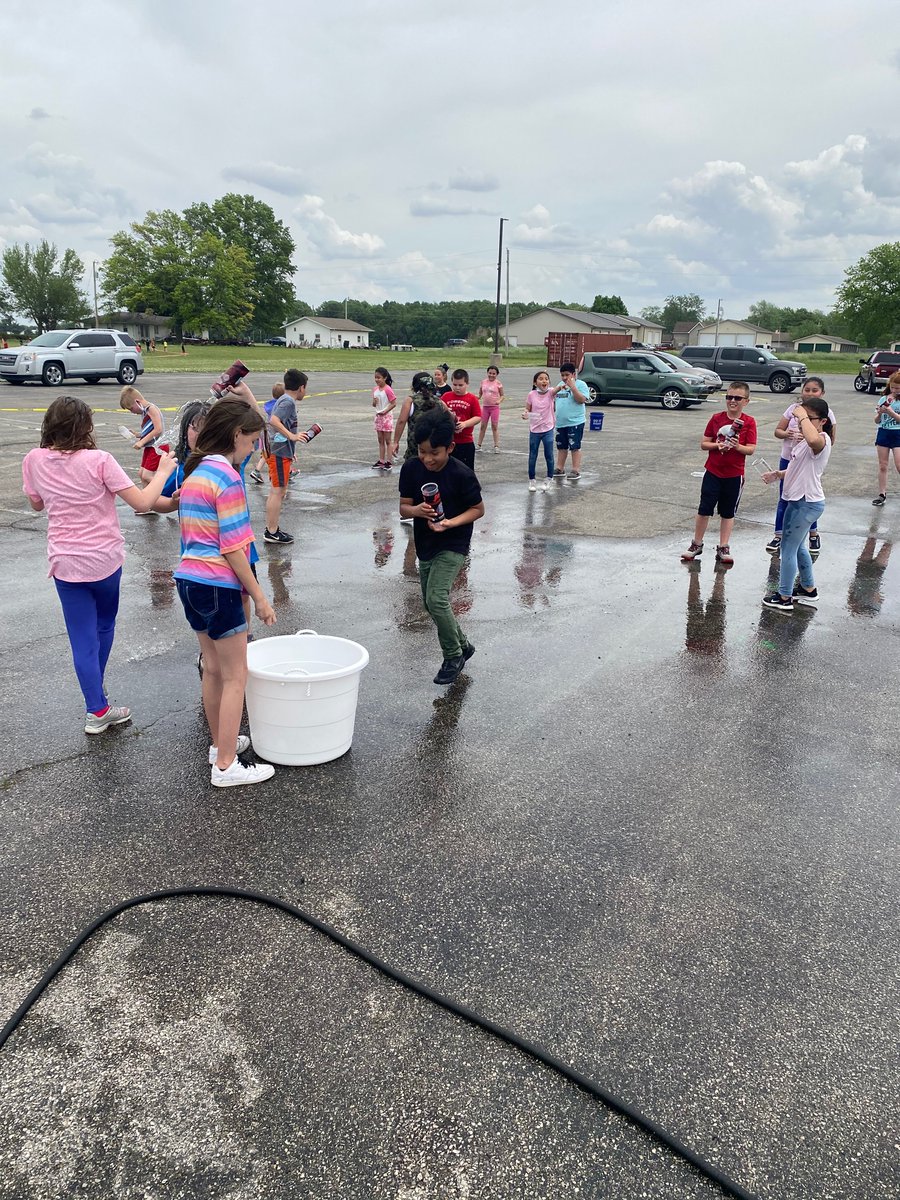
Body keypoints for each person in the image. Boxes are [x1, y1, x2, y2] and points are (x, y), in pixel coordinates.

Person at [21, 395, 176, 733]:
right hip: (104, 561)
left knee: (81, 637)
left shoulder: (33, 459)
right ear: (86, 428)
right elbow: (142, 503)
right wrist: (163, 472)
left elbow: (35, 504)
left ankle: (96, 704)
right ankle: (97, 700)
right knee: (104, 626)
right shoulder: (100, 460)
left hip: (65, 563)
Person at [174, 399, 277, 787]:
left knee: (213, 669)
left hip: (189, 581)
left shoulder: (196, 471)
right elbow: (233, 548)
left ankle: (221, 745)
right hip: (217, 585)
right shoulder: (227, 478)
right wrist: (261, 598)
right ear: (236, 435)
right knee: (236, 675)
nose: (252, 449)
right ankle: (227, 765)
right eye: (251, 441)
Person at [399, 407, 484, 685]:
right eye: (423, 451)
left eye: (434, 453)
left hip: (453, 541)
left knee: (437, 599)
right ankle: (464, 644)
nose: (427, 458)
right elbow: (403, 508)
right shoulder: (412, 469)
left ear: (450, 447)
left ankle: (452, 655)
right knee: (428, 602)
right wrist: (417, 512)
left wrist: (450, 523)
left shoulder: (462, 474)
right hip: (425, 542)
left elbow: (478, 509)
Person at [761, 396, 833, 613]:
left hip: (806, 503)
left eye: (809, 418)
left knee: (787, 549)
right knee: (798, 547)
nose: (802, 422)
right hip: (799, 501)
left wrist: (801, 415)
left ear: (822, 421)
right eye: (801, 418)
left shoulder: (821, 439)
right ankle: (808, 589)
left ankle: (784, 597)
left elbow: (814, 442)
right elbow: (797, 468)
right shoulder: (803, 442)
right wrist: (778, 474)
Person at [681, 382, 757, 566]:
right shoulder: (716, 418)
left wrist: (737, 446)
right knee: (704, 508)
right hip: (713, 471)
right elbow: (704, 443)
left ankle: (723, 546)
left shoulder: (749, 422)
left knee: (728, 512)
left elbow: (751, 449)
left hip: (734, 474)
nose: (732, 401)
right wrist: (718, 445)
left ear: (746, 401)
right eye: (729, 397)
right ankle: (696, 544)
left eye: (737, 398)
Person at [766, 377, 837, 559]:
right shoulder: (793, 410)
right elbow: (778, 431)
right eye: (807, 389)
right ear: (801, 391)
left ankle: (813, 534)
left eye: (815, 390)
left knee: (806, 502)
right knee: (785, 498)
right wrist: (787, 433)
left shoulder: (824, 413)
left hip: (808, 463)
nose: (810, 393)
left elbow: (824, 440)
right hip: (789, 459)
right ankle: (779, 535)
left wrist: (808, 437)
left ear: (822, 393)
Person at [265, 368, 309, 545]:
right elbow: (274, 421)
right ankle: (271, 531)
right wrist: (291, 437)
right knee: (278, 491)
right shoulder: (288, 402)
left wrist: (292, 448)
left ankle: (273, 528)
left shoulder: (285, 399)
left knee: (277, 491)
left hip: (282, 450)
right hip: (278, 452)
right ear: (301, 388)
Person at [392, 372, 447, 463]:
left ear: (414, 386)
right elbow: (451, 418)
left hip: (415, 449)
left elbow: (401, 421)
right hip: (434, 449)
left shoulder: (410, 401)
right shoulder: (439, 401)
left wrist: (395, 442)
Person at [120, 385, 170, 485]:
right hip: (150, 446)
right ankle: (147, 498)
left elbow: (158, 429)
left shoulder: (151, 409)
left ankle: (166, 489)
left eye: (131, 409)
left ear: (137, 402)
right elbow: (150, 429)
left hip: (158, 446)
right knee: (141, 473)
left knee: (147, 475)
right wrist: (138, 435)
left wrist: (142, 442)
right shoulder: (145, 411)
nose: (132, 412)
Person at [522, 370, 559, 491]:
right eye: (541, 379)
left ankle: (549, 479)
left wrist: (564, 385)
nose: (544, 381)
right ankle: (532, 480)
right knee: (533, 455)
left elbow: (556, 390)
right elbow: (527, 409)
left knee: (549, 455)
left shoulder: (551, 393)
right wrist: (525, 413)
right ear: (535, 382)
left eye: (546, 379)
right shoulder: (531, 394)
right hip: (535, 430)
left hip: (548, 428)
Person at [553, 361, 589, 480]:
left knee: (574, 446)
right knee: (561, 446)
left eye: (567, 375)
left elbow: (581, 400)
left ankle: (575, 470)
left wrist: (573, 388)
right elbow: (554, 400)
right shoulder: (560, 385)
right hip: (561, 423)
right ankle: (560, 468)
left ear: (573, 374)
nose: (564, 378)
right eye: (562, 375)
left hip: (575, 422)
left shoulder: (581, 384)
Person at [871, 370, 900, 506]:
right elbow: (877, 421)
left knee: (899, 465)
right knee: (883, 465)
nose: (895, 390)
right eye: (893, 387)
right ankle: (882, 493)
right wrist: (880, 413)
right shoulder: (884, 399)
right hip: (884, 432)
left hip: (897, 433)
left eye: (898, 388)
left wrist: (891, 412)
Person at [443, 368, 481, 470]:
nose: (457, 388)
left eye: (460, 385)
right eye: (454, 385)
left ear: (467, 384)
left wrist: (465, 424)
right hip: (449, 441)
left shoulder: (472, 399)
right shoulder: (446, 397)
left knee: (466, 470)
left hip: (465, 442)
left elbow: (478, 417)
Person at [249, 382, 284, 484]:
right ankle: (257, 471)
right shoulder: (280, 406)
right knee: (279, 452)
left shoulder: (271, 405)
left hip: (267, 433)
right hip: (275, 434)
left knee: (267, 453)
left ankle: (257, 471)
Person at [371, 367, 397, 470]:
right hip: (378, 416)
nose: (377, 380)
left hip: (386, 416)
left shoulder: (388, 389)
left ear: (385, 378)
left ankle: (389, 461)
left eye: (379, 378)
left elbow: (394, 403)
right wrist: (374, 402)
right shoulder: (375, 390)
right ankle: (381, 460)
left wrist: (385, 411)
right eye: (375, 377)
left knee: (388, 440)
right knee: (380, 440)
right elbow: (374, 404)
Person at [476, 365, 504, 452]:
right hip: (485, 407)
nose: (491, 375)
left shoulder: (498, 383)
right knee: (483, 426)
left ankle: (496, 446)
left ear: (497, 374)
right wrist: (477, 397)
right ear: (487, 373)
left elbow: (502, 395)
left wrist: (499, 400)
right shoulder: (483, 382)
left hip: (494, 408)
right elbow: (480, 393)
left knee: (494, 426)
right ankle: (479, 445)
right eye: (490, 373)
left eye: (494, 373)